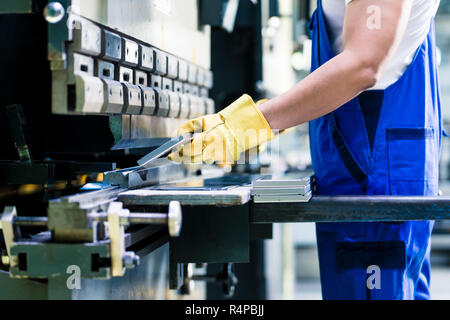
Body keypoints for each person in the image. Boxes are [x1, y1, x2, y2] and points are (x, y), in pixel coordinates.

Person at [169, 0, 442, 299]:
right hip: (366, 166)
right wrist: (273, 119)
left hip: (373, 168)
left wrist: (250, 124)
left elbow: (364, 65)